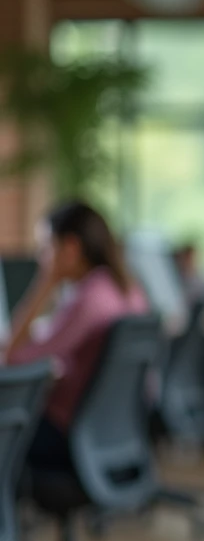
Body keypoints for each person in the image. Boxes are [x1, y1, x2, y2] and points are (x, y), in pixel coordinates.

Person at [2, 201, 148, 470]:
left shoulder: (88, 299)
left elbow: (13, 359)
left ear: (69, 248)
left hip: (69, 440)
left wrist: (44, 284)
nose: (41, 258)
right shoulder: (128, 290)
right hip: (112, 435)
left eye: (45, 248)